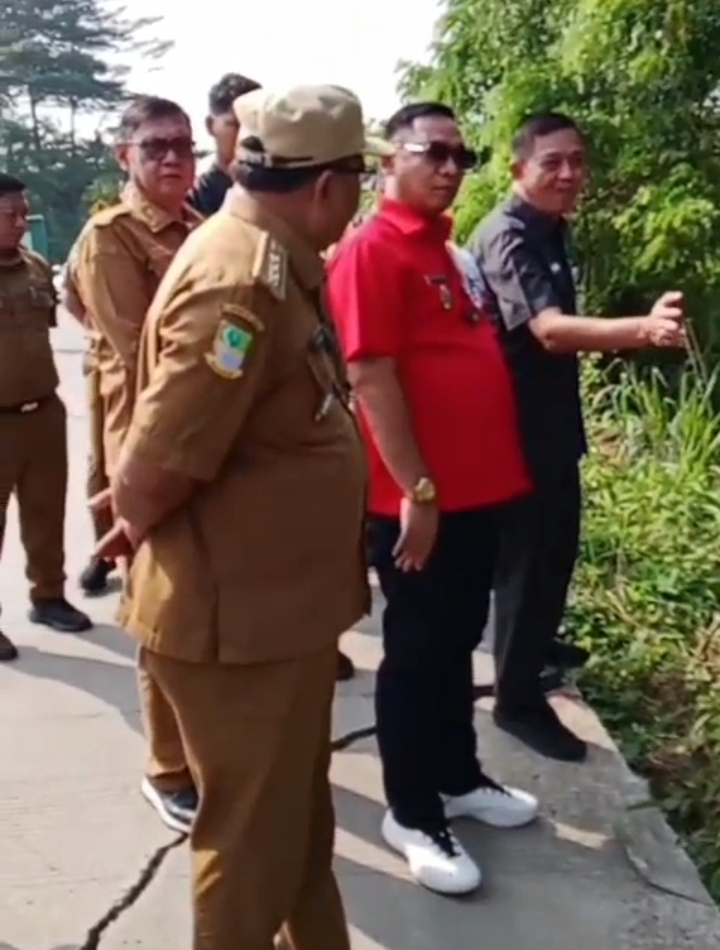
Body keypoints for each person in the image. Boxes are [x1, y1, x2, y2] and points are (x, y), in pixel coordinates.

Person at [92, 82, 383, 950]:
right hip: (239, 623)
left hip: (273, 612)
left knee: (296, 831)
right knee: (252, 848)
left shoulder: (269, 256)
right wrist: (137, 510)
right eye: (359, 178)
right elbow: (160, 458)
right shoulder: (243, 283)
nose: (360, 194)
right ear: (326, 185)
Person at [327, 102, 539, 897]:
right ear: (389, 160)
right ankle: (413, 811)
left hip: (476, 494)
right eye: (433, 153)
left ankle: (456, 775)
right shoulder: (373, 251)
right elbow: (369, 375)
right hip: (417, 503)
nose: (451, 168)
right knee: (417, 654)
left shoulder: (444, 251)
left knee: (454, 643)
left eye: (461, 155)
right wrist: (417, 489)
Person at [468, 111, 686, 762]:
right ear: (519, 169)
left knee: (555, 550)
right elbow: (550, 330)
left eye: (577, 161)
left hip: (551, 424)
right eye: (552, 162)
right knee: (528, 563)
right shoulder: (509, 236)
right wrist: (641, 330)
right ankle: (516, 699)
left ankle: (535, 648)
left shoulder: (550, 229)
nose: (568, 174)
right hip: (518, 431)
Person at [73, 95, 202, 834]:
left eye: (184, 144)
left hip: (205, 440)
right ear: (124, 155)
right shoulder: (109, 238)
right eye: (156, 146)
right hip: (151, 447)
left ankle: (203, 750)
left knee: (200, 604)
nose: (174, 158)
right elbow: (141, 353)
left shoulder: (202, 229)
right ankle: (167, 767)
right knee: (160, 613)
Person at [0, 173, 92, 662]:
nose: (20, 223)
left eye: (22, 213)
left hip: (43, 410)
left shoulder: (35, 266)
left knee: (46, 511)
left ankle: (49, 595)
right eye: (9, 215)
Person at [61, 241, 117, 595]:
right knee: (103, 463)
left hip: (170, 360)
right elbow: (70, 293)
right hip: (109, 364)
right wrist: (99, 332)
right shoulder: (98, 236)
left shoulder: (191, 229)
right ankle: (105, 550)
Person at [188, 72, 261, 217]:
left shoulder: (281, 186)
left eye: (253, 124)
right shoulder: (193, 196)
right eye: (235, 125)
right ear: (210, 125)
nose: (246, 135)